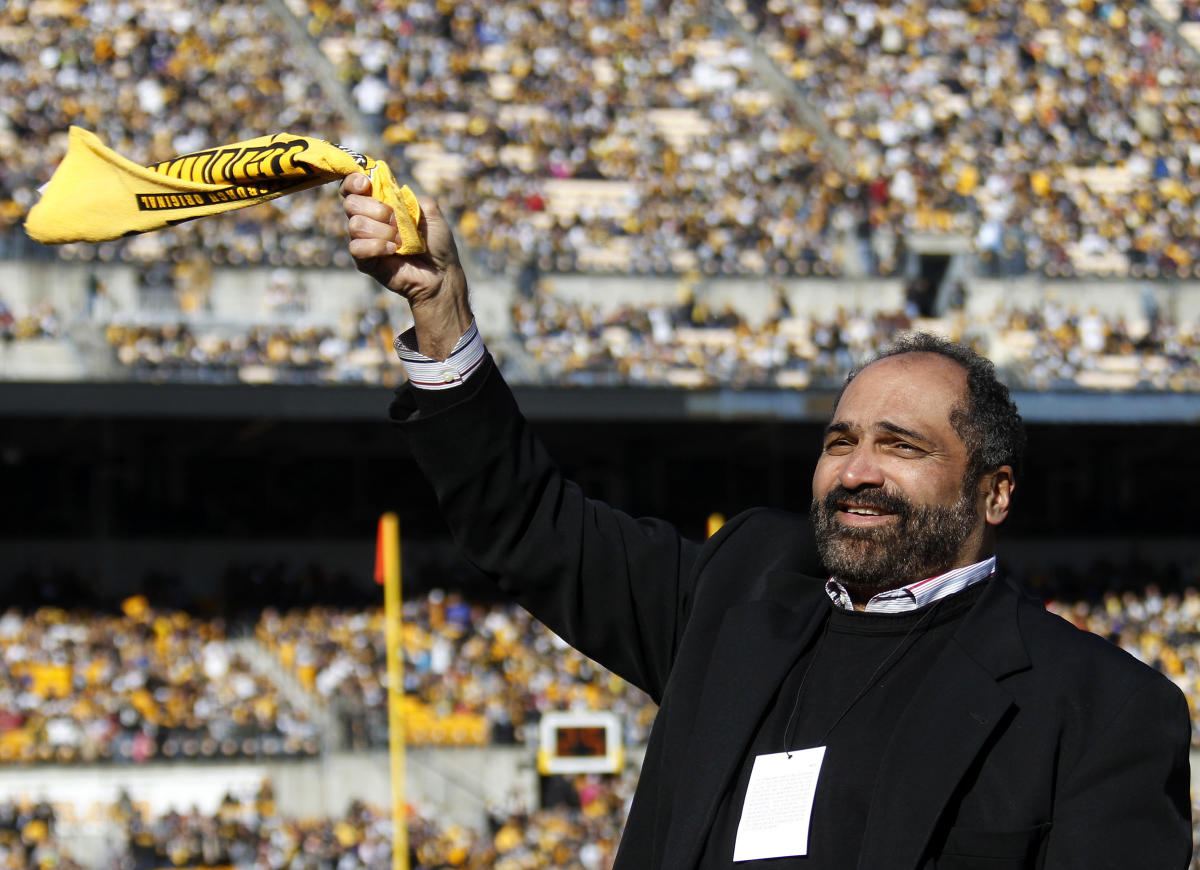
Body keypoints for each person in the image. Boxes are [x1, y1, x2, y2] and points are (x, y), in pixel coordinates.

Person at [341, 174, 1192, 869]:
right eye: (840, 441)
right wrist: (441, 309)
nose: (857, 471)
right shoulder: (739, 585)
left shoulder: (1099, 710)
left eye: (900, 446)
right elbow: (530, 526)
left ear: (994, 493)